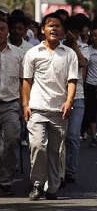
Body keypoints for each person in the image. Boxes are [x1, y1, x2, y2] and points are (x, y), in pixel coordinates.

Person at [22, 13, 78, 200]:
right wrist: (25, 104)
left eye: (58, 26)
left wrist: (69, 101)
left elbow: (72, 80)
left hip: (59, 110)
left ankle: (52, 187)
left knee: (56, 151)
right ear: (43, 30)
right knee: (38, 146)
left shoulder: (69, 54)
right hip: (37, 108)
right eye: (50, 25)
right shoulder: (32, 53)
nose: (54, 29)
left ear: (63, 31)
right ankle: (37, 184)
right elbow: (27, 82)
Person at [63, 15, 90, 183]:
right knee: (59, 137)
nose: (73, 35)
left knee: (73, 136)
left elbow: (83, 63)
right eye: (71, 32)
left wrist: (73, 44)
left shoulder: (83, 47)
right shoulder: (56, 45)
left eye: (77, 32)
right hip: (58, 96)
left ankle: (70, 170)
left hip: (78, 97)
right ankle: (57, 171)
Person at [0, 19, 24, 195]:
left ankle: (6, 179)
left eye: (2, 29)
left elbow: (25, 82)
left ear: (7, 32)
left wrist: (25, 104)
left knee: (12, 139)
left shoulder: (17, 53)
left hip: (10, 104)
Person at [82, 26, 97, 147]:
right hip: (90, 84)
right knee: (91, 111)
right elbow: (84, 64)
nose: (94, 38)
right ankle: (93, 137)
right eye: (92, 35)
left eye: (96, 35)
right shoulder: (88, 50)